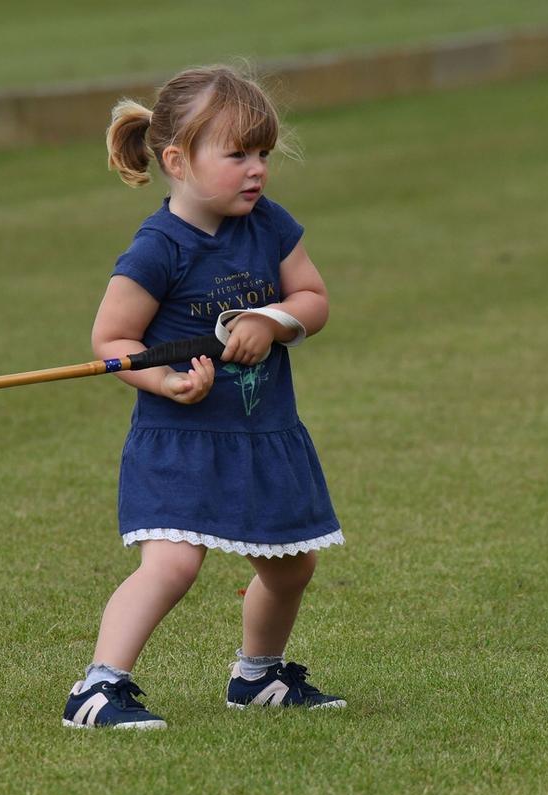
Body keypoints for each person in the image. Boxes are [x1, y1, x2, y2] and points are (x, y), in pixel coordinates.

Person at [62, 66, 345, 730]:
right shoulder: (159, 248)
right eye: (237, 154)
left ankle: (259, 676)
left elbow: (314, 300)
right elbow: (112, 342)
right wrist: (164, 382)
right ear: (176, 161)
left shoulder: (270, 227)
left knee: (291, 566)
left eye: (263, 154)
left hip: (263, 433)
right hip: (181, 441)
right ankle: (98, 689)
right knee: (171, 566)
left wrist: (271, 320)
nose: (257, 171)